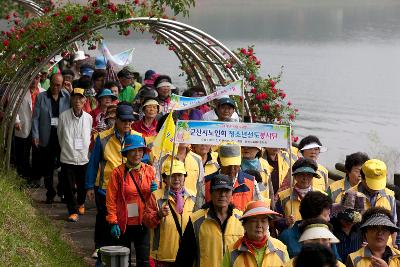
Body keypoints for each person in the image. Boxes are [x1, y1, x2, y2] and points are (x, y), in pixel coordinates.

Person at [85, 103, 141, 259]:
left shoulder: (137, 137)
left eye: (130, 121)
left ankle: (125, 247)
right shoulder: (102, 138)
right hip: (105, 187)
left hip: (130, 189)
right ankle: (99, 246)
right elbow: (93, 163)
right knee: (104, 217)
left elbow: (144, 161)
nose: (127, 124)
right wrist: (89, 186)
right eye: (124, 121)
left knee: (130, 216)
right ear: (116, 120)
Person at [106, 134, 156, 267]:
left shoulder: (150, 171)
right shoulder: (117, 173)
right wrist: (113, 221)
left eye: (140, 150)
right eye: (133, 150)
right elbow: (111, 199)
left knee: (144, 261)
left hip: (143, 222)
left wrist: (155, 191)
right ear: (127, 153)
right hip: (123, 224)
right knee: (123, 262)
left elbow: (156, 200)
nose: (137, 154)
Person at [175, 174, 244, 267]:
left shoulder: (242, 220)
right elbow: (185, 258)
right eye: (218, 190)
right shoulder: (196, 220)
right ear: (211, 193)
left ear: (232, 193)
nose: (222, 194)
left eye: (226, 191)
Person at [143, 159, 195, 266]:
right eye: (172, 175)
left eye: (179, 175)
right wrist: (158, 215)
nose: (176, 179)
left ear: (184, 177)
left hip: (186, 255)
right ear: (165, 178)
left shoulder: (193, 197)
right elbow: (146, 221)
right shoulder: (156, 196)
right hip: (162, 256)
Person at [32, 73, 70, 204]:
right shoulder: (41, 97)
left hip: (62, 137)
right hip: (46, 136)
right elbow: (35, 118)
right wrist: (35, 135)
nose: (55, 87)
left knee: (63, 166)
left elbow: (77, 108)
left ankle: (62, 190)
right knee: (47, 167)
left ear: (62, 84)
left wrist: (71, 90)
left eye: (58, 85)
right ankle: (50, 192)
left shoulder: (67, 96)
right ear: (50, 82)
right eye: (53, 84)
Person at [57, 88, 92, 222]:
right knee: (69, 186)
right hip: (67, 156)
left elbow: (88, 136)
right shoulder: (63, 116)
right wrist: (67, 148)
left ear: (84, 100)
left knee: (82, 184)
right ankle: (72, 211)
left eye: (80, 98)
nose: (78, 101)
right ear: (71, 99)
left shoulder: (88, 118)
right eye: (75, 98)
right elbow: (60, 136)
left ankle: (81, 203)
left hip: (83, 157)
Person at [221, 200, 289, 266]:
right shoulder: (232, 251)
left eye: (263, 221)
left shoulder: (281, 249)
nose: (259, 225)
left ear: (268, 223)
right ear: (244, 225)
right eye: (254, 221)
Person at [348, 159, 397, 246]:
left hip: (385, 249)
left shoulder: (389, 195)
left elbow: (393, 225)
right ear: (362, 178)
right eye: (372, 183)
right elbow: (347, 227)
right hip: (359, 248)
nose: (375, 188)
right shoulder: (350, 195)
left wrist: (393, 245)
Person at [197, 142, 256, 211]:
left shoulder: (251, 183)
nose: (232, 169)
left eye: (235, 165)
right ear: (219, 161)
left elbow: (257, 210)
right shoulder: (206, 183)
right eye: (228, 165)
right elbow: (198, 212)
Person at [278, 191, 333, 258]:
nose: (328, 219)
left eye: (329, 215)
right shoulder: (286, 237)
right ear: (313, 217)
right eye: (325, 215)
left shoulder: (327, 235)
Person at [276, 158, 325, 227]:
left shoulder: (322, 196)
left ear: (313, 177)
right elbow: (275, 220)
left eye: (309, 175)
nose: (305, 178)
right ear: (295, 176)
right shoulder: (282, 197)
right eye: (302, 174)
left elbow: (328, 218)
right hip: (291, 236)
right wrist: (285, 222)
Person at [14, 74, 44, 180]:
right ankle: (22, 175)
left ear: (39, 79)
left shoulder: (43, 92)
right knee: (22, 152)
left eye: (36, 78)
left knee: (37, 152)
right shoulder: (19, 91)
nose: (34, 81)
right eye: (31, 78)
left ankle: (35, 177)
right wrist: (16, 121)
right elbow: (13, 108)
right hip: (23, 126)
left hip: (38, 127)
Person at [330, 191, 364, 263]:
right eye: (345, 219)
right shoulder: (330, 228)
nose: (349, 222)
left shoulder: (361, 229)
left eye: (352, 220)